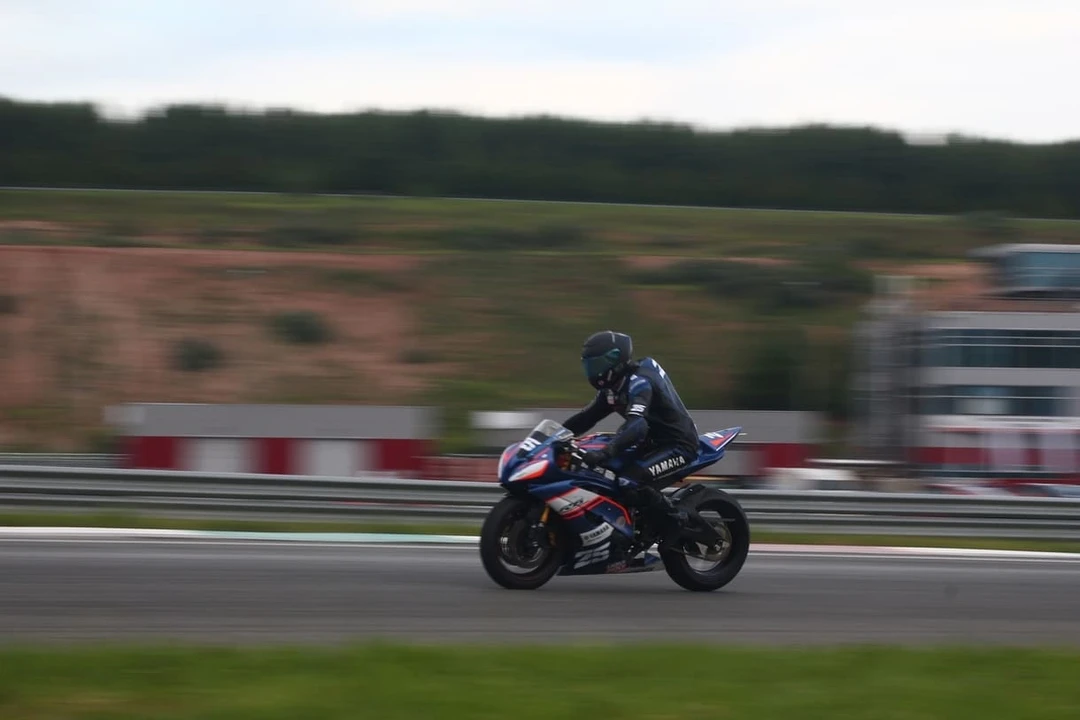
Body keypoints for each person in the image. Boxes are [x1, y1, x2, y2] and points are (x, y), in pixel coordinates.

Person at [563, 330, 700, 539]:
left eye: (596, 365)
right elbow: (586, 418)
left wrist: (606, 452)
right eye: (589, 365)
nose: (592, 371)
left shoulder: (640, 383)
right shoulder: (612, 389)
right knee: (602, 472)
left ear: (614, 360)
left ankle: (675, 522)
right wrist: (556, 437)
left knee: (628, 481)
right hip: (650, 443)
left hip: (678, 444)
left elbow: (638, 424)